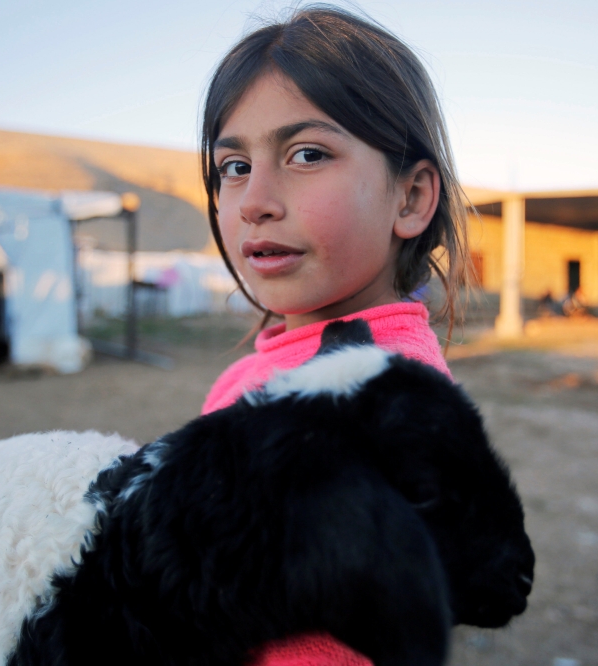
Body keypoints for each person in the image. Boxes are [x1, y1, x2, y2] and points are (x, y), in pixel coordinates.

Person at [197, 6, 469, 665]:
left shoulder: (375, 408)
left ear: (410, 198)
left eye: (308, 154)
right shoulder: (279, 368)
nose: (255, 199)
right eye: (232, 166)